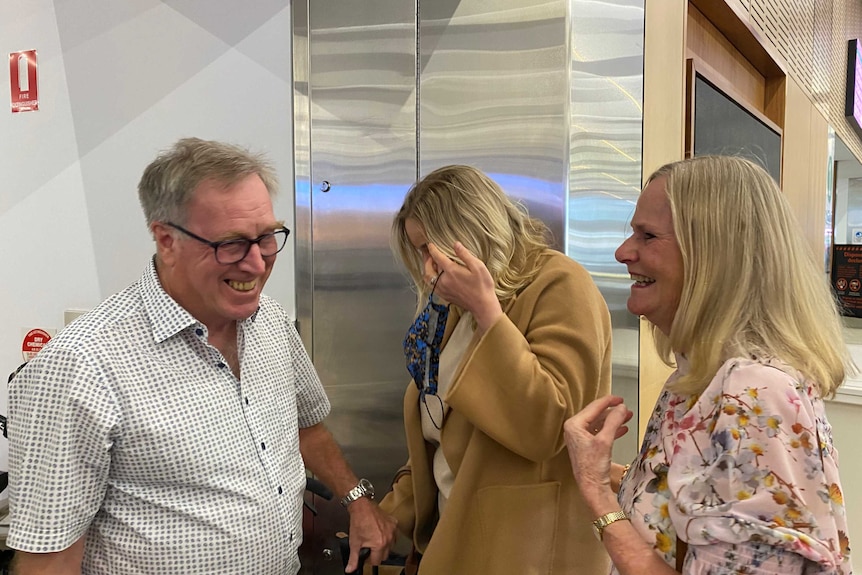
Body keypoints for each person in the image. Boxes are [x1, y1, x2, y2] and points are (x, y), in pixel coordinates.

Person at [7, 137, 396, 574]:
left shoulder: (269, 320)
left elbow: (307, 428)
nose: (257, 264)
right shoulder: (79, 367)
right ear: (166, 239)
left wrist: (358, 501)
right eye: (231, 244)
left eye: (267, 237)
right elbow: (48, 560)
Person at [564, 155, 853, 575]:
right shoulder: (699, 376)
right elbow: (706, 504)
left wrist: (597, 495)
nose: (623, 252)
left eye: (647, 236)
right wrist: (603, 472)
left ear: (712, 256)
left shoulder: (753, 393)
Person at [379, 165, 613, 574]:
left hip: (525, 548)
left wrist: (489, 314)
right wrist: (387, 516)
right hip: (457, 531)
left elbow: (551, 423)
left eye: (426, 250)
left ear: (465, 234)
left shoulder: (560, 282)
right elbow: (437, 436)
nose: (425, 268)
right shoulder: (454, 310)